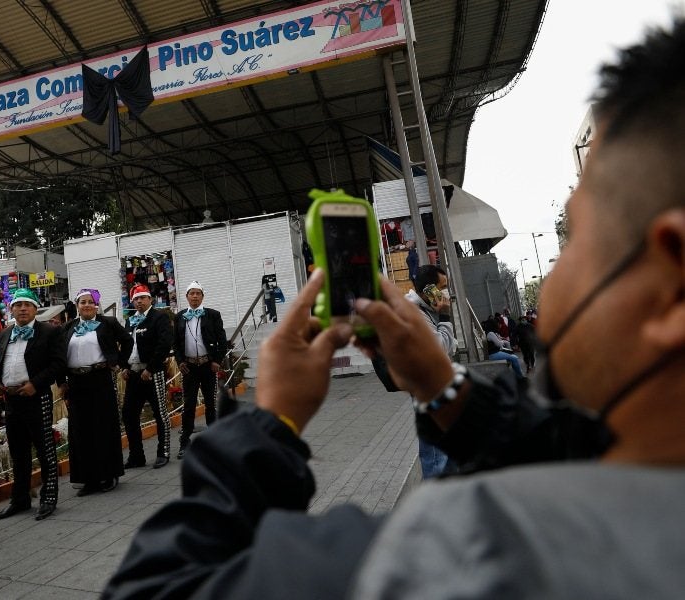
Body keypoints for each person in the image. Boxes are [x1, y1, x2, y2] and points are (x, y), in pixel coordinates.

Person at [104, 19, 685, 598]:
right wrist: (442, 386)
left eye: (577, 236)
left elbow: (151, 586)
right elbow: (565, 448)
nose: (553, 280)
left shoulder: (465, 555)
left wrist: (270, 423)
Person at [0, 288, 66, 521]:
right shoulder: (4, 333)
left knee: (45, 449)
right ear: (11, 309)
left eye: (27, 304)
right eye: (18, 305)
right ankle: (20, 499)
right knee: (18, 452)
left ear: (35, 309)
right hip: (11, 400)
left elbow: (58, 363)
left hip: (37, 397)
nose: (22, 309)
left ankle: (49, 497)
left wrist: (35, 383)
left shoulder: (49, 332)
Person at [60, 288, 133, 495]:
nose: (86, 305)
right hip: (76, 381)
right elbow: (58, 355)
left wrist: (118, 362)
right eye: (82, 302)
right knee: (80, 430)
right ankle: (88, 478)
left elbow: (127, 341)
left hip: (99, 378)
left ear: (97, 305)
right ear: (77, 306)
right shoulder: (68, 328)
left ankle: (109, 474)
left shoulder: (107, 323)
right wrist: (61, 381)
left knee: (104, 427)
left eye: (90, 302)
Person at [404, 264, 457, 478]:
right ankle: (438, 503)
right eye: (442, 287)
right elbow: (439, 349)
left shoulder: (426, 310)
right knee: (436, 454)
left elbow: (450, 345)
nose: (446, 292)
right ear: (428, 290)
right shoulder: (413, 313)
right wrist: (444, 316)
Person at [121, 284, 174, 469]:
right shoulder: (130, 321)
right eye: (136, 299)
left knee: (160, 413)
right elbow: (126, 346)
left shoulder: (159, 317)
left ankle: (163, 451)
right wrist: (124, 366)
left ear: (150, 299)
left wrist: (150, 368)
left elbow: (164, 344)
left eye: (142, 298)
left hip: (153, 374)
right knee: (128, 414)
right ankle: (137, 455)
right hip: (134, 374)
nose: (139, 301)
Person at [173, 281, 228, 459]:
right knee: (188, 405)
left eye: (198, 293)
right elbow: (176, 342)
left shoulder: (213, 315)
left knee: (210, 404)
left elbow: (221, 340)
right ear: (187, 296)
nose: (195, 296)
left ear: (202, 296)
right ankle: (185, 442)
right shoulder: (180, 316)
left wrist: (217, 361)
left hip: (207, 365)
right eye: (192, 293)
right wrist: (180, 361)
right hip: (189, 367)